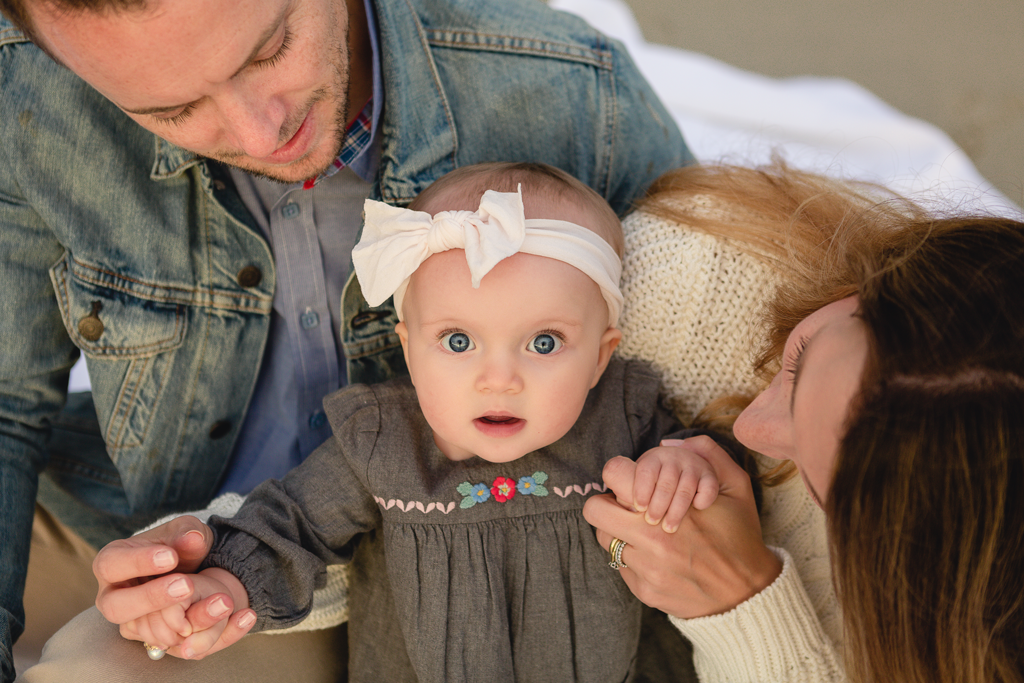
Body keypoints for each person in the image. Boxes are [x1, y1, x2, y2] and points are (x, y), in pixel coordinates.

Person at [0, 0, 690, 676]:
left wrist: (691, 479)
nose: (260, 131)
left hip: (387, 592)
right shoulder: (28, 89)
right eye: (172, 111)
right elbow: (6, 405)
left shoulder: (578, 90)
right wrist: (208, 571)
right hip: (204, 554)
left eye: (269, 49)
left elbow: (722, 392)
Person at [94, 162, 731, 681]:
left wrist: (688, 467)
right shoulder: (381, 442)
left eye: (543, 343)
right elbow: (290, 522)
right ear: (407, 347)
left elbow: (722, 480)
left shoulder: (627, 421)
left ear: (601, 356)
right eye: (458, 342)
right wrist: (226, 586)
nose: (498, 377)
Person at [586, 162, 1024, 682]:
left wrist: (742, 610)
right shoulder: (700, 286)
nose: (748, 431)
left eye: (820, 488)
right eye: (798, 358)